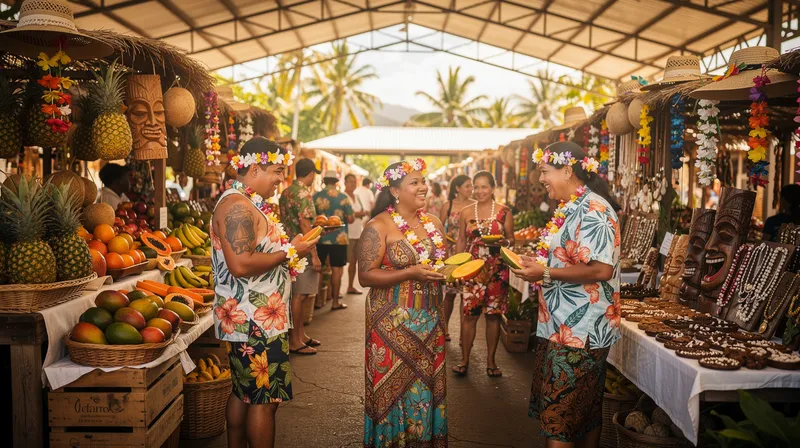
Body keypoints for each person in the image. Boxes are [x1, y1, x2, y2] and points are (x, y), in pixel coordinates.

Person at [210, 137, 319, 448]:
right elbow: (241, 264)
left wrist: (289, 248)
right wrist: (289, 252)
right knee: (263, 399)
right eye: (276, 171)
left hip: (254, 319)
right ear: (255, 168)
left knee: (245, 393)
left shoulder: (246, 203)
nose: (280, 180)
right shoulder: (237, 207)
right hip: (253, 322)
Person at [512, 141, 620, 448]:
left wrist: (545, 273)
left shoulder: (595, 209)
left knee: (560, 420)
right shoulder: (571, 207)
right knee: (582, 414)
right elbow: (573, 259)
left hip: (581, 332)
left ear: (568, 170)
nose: (541, 179)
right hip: (560, 326)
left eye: (545, 171)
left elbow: (600, 270)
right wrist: (542, 264)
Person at [359, 159, 448, 447]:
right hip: (390, 323)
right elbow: (364, 276)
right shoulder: (378, 225)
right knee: (392, 390)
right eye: (415, 182)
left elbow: (440, 266)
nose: (423, 187)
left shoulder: (434, 223)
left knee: (424, 389)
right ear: (396, 191)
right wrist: (409, 272)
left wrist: (452, 273)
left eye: (424, 181)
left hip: (429, 318)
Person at [453, 171, 514, 378]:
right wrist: (458, 265)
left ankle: (491, 361)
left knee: (493, 316)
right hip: (473, 268)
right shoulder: (466, 211)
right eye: (475, 187)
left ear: (493, 188)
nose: (479, 191)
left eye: (484, 187)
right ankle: (464, 359)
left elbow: (511, 239)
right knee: (469, 315)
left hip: (497, 268)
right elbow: (461, 240)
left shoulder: (505, 211)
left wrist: (503, 242)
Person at [279, 158, 323, 355]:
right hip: (302, 249)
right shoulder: (304, 193)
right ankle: (295, 341)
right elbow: (306, 226)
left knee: (297, 294)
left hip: (287, 246)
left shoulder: (286, 192)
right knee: (300, 295)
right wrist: (314, 255)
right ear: (311, 174)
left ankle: (301, 335)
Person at [439, 174, 475, 342]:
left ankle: (464, 334)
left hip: (471, 251)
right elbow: (438, 229)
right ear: (458, 188)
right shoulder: (448, 205)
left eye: (471, 186)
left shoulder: (475, 205)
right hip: (452, 252)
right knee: (450, 294)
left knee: (466, 295)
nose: (471, 189)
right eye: (467, 186)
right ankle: (444, 329)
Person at [313, 170, 355, 310]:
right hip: (339, 239)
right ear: (336, 182)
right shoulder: (343, 197)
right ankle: (335, 302)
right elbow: (350, 218)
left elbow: (312, 218)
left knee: (318, 270)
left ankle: (318, 301)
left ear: (324, 181)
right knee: (337, 270)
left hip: (320, 237)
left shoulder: (316, 196)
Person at [344, 174, 370, 295]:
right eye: (350, 182)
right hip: (346, 233)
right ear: (344, 182)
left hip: (357, 232)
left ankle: (350, 286)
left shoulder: (357, 196)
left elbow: (360, 211)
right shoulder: (342, 197)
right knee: (342, 262)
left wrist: (362, 213)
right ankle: (334, 291)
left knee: (354, 261)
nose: (353, 184)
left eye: (354, 182)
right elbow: (345, 214)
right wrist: (357, 214)